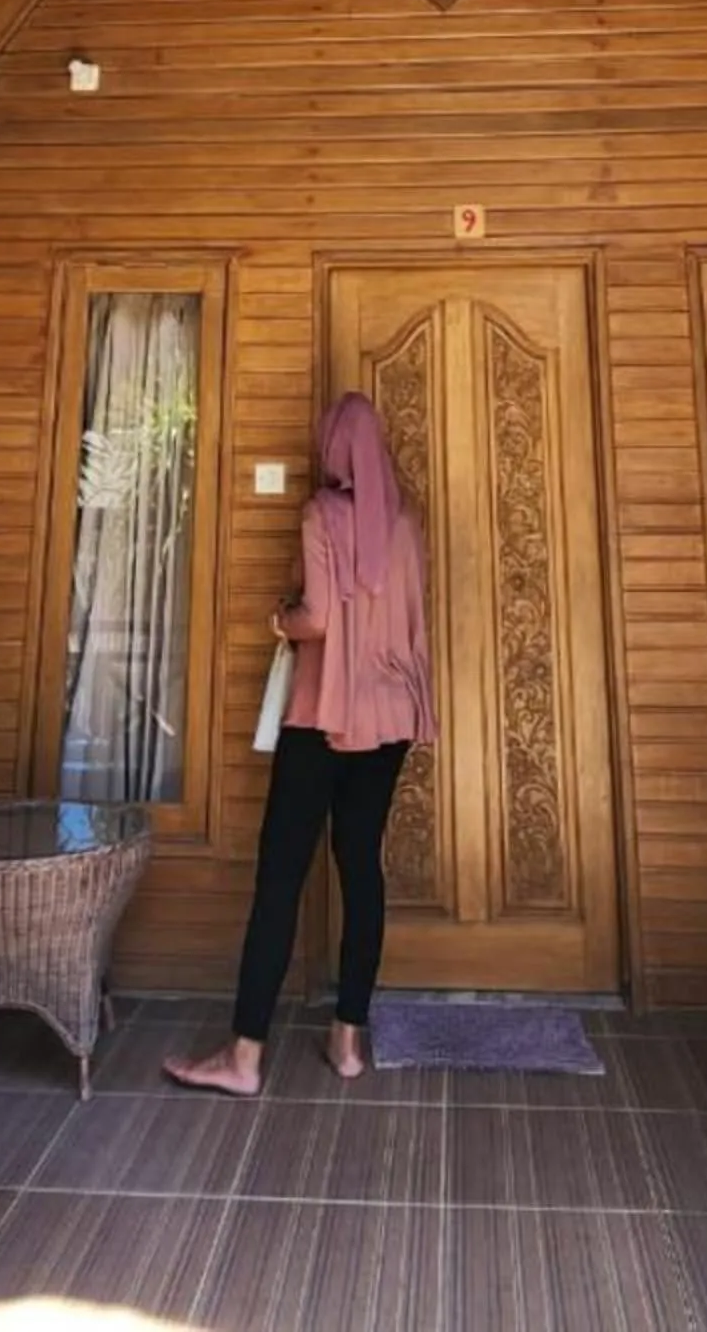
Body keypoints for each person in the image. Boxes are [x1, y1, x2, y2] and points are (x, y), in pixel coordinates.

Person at [165, 390, 437, 1095]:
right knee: (361, 869)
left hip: (322, 717)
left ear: (333, 449)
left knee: (281, 876)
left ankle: (244, 1057)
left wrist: (278, 620)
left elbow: (315, 617)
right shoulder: (407, 522)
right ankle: (348, 1042)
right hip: (391, 717)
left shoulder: (320, 513)